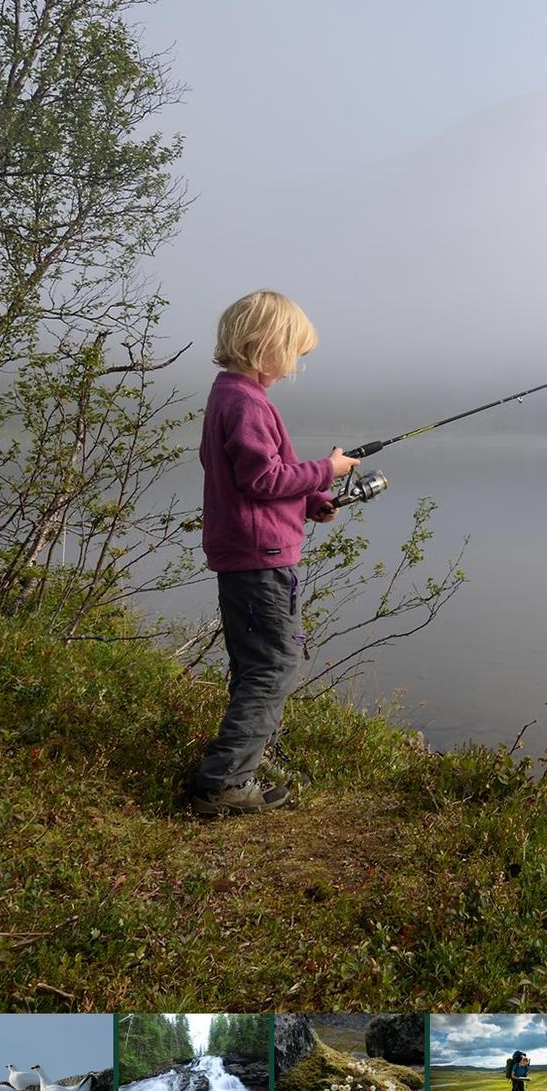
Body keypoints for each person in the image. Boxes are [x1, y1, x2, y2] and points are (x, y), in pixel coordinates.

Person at [189, 289, 359, 816]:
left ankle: (242, 762)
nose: (294, 367)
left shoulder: (231, 395)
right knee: (275, 667)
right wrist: (327, 470)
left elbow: (261, 477)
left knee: (255, 664)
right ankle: (221, 783)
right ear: (263, 346)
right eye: (293, 354)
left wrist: (312, 501)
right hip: (259, 556)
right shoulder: (245, 402)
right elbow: (262, 477)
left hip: (247, 551)